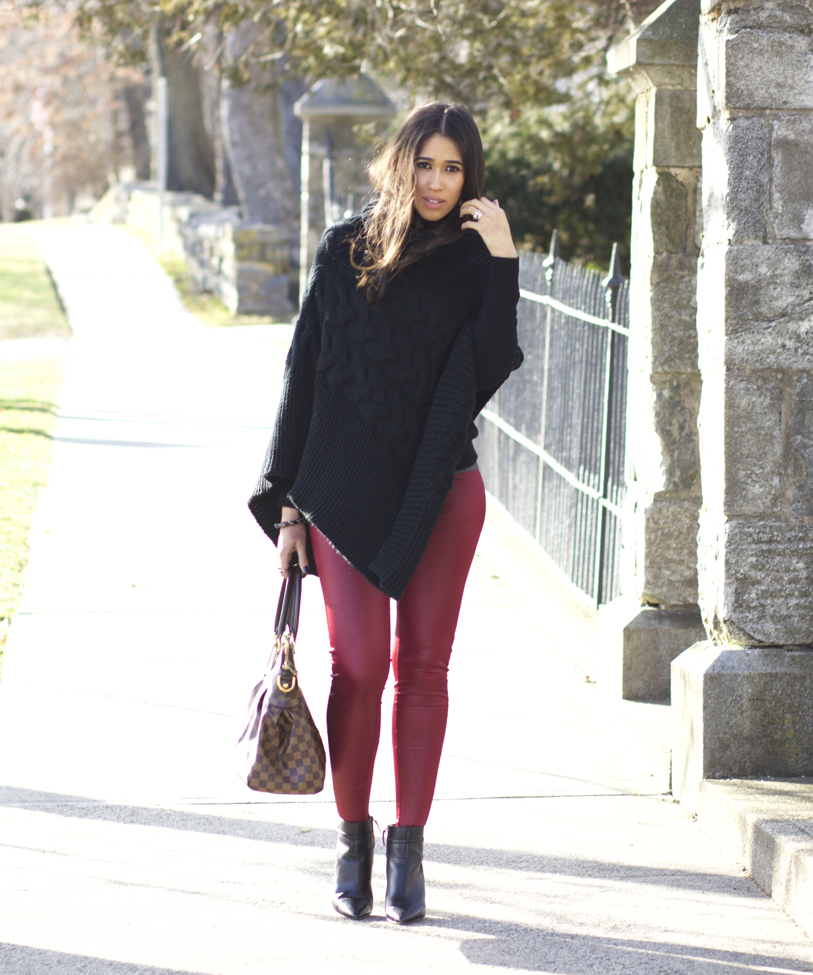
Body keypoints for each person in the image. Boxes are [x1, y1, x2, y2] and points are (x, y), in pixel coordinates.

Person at [249, 101, 522, 923]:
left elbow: (488, 366)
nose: (437, 182)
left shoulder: (476, 261)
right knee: (360, 663)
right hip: (342, 490)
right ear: (398, 163)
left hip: (444, 490)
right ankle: (352, 841)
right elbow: (305, 375)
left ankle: (409, 850)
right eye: (426, 164)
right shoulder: (343, 251)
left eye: (454, 168)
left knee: (424, 669)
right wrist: (290, 504)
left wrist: (504, 260)